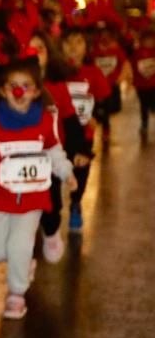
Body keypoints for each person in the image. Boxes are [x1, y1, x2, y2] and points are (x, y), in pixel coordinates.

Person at [0, 60, 76, 319]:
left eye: (26, 86)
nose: (19, 91)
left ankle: (16, 294)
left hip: (32, 199)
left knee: (19, 245)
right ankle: (24, 262)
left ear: (36, 91)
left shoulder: (44, 121)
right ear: (3, 91)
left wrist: (66, 172)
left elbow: (53, 151)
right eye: (13, 86)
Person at [32, 31, 87, 263]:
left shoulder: (57, 86)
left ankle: (51, 230)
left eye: (40, 48)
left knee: (52, 205)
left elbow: (70, 120)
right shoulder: (10, 85)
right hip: (20, 157)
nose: (34, 54)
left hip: (51, 157)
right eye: (28, 48)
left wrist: (81, 149)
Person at [60, 27, 111, 234]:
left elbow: (105, 100)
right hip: (57, 136)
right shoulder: (55, 73)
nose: (73, 48)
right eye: (68, 43)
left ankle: (75, 203)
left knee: (80, 174)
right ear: (60, 46)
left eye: (78, 42)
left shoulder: (93, 73)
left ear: (86, 47)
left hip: (83, 136)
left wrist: (96, 118)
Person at [132, 28, 155, 134]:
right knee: (144, 105)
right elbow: (134, 67)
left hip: (153, 84)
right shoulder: (137, 53)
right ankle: (144, 122)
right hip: (141, 86)